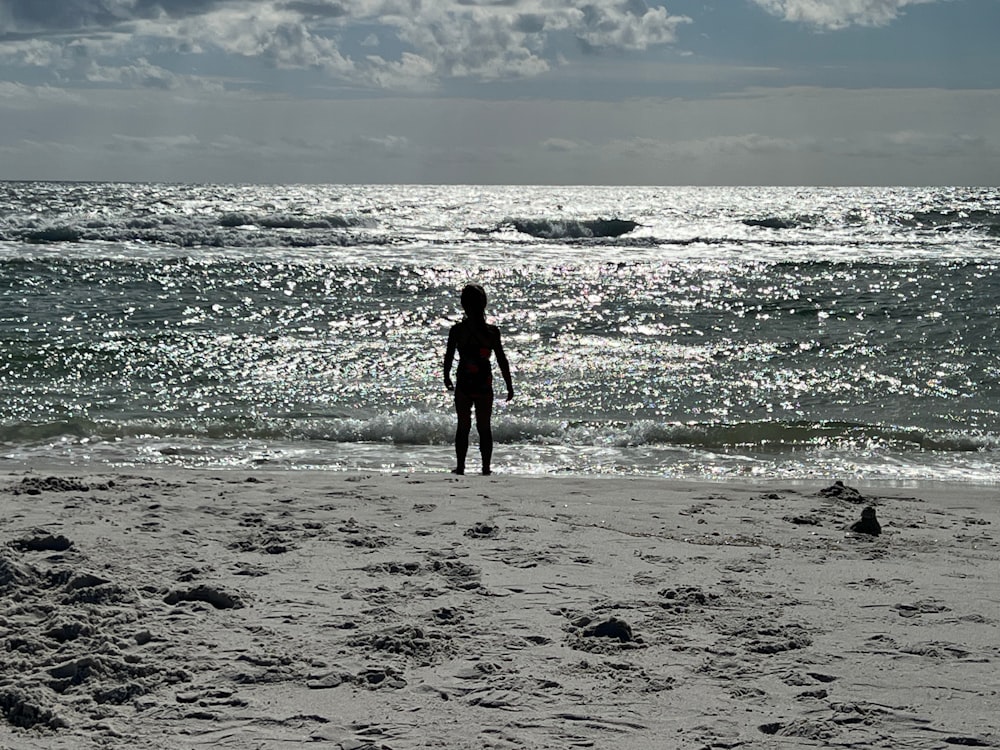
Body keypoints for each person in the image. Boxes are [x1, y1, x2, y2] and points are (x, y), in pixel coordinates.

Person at [443, 284, 513, 475]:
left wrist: (446, 376)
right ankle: (486, 467)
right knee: (484, 427)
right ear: (484, 304)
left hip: (464, 381)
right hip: (484, 382)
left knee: (463, 426)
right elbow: (501, 359)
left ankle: (461, 466)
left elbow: (449, 356)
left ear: (463, 305)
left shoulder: (457, 330)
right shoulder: (491, 332)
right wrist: (509, 384)